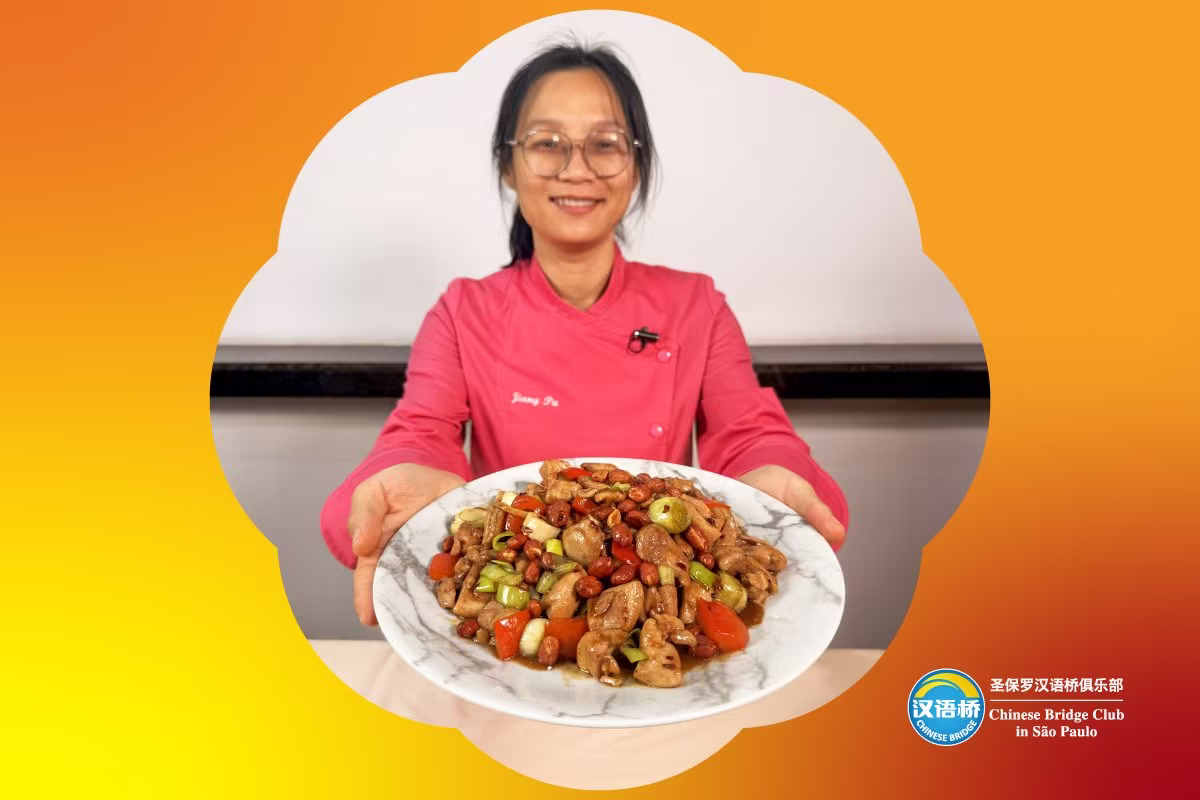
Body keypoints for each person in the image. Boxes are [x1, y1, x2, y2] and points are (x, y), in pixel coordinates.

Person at [319, 42, 849, 626]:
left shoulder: (695, 304)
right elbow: (421, 433)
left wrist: (770, 476)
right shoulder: (463, 310)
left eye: (605, 143)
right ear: (508, 165)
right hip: (517, 607)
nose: (577, 169)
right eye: (547, 143)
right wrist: (400, 475)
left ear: (636, 165)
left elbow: (749, 432)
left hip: (656, 604)